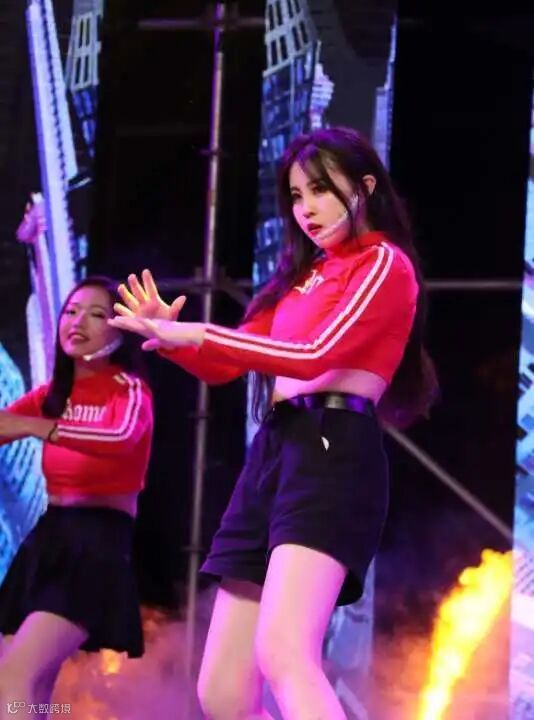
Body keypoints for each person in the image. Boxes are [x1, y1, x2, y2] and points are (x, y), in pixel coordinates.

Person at [111, 127, 438, 720]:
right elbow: (227, 362)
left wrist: (196, 332)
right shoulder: (301, 279)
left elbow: (315, 356)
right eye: (295, 196)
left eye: (320, 190)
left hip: (333, 450)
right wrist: (171, 336)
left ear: (365, 187)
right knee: (222, 691)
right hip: (274, 452)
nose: (306, 209)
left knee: (285, 652)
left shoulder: (383, 265)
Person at [0, 276, 153, 718]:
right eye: (71, 311)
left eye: (97, 314)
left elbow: (120, 437)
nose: (78, 322)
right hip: (49, 537)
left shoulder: (129, 390)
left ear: (120, 331)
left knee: (15, 675)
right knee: (28, 682)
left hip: (96, 543)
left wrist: (38, 427)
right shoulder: (54, 394)